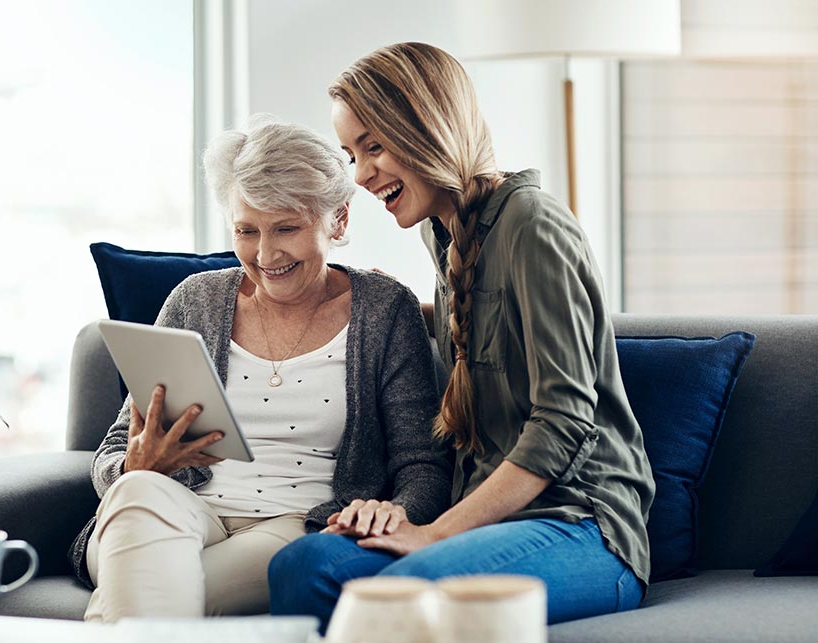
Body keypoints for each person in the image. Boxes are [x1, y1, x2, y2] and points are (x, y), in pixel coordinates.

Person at [269, 42, 656, 630]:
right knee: (303, 564)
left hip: (582, 525)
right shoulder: (443, 236)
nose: (362, 175)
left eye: (374, 145)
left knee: (405, 594)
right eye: (352, 153)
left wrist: (434, 534)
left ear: (428, 125)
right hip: (491, 523)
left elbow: (564, 423)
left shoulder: (533, 225)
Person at [70, 116, 452, 622]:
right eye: (246, 231)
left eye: (286, 229)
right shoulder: (194, 300)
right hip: (169, 506)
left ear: (337, 219)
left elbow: (422, 463)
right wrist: (133, 469)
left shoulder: (384, 310)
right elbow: (115, 450)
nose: (265, 254)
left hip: (294, 522)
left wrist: (396, 512)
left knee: (147, 582)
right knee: (137, 497)